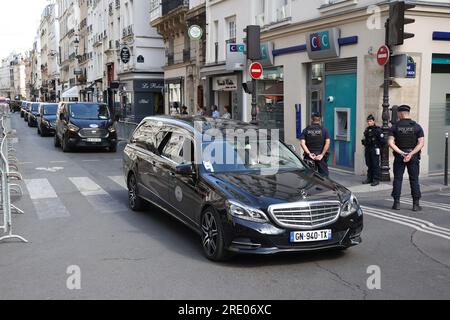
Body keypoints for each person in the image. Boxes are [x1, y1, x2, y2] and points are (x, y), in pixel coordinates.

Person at [388, 105, 425, 212]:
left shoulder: (394, 127)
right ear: (408, 113)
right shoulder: (417, 127)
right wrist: (411, 154)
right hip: (413, 156)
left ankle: (396, 203)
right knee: (414, 180)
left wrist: (402, 153)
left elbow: (390, 142)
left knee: (398, 179)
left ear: (400, 113)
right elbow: (421, 143)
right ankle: (415, 204)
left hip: (400, 156)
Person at [300, 112, 331, 177]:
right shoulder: (324, 130)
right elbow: (327, 143)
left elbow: (302, 143)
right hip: (321, 158)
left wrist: (309, 154)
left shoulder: (306, 130)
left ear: (311, 119)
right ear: (320, 119)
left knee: (308, 178)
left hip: (309, 158)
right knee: (324, 178)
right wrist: (322, 154)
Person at [362, 115, 385, 186]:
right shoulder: (367, 130)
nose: (369, 122)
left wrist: (378, 147)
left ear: (373, 121)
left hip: (374, 149)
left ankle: (376, 179)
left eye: (370, 121)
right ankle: (369, 178)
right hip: (368, 149)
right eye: (368, 121)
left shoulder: (378, 130)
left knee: (375, 164)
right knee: (369, 164)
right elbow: (364, 139)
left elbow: (383, 141)